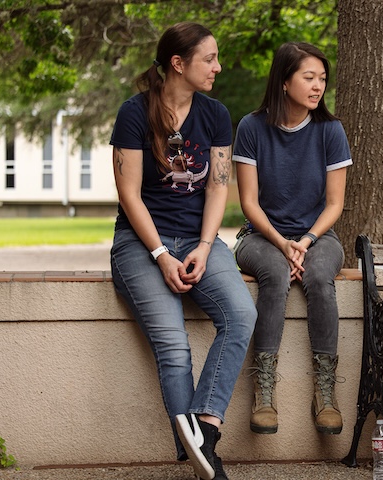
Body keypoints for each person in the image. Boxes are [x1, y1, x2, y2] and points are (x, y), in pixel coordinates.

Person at [109, 22, 257, 480]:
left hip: (200, 240)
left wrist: (207, 246)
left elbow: (217, 189)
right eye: (208, 59)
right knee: (173, 347)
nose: (217, 66)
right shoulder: (134, 114)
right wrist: (160, 255)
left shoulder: (214, 113)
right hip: (141, 243)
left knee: (240, 316)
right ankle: (202, 463)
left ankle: (205, 431)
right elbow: (129, 194)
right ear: (178, 63)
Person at [233, 42, 352, 436]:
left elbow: (335, 204)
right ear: (284, 82)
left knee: (319, 278)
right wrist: (282, 244)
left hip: (319, 236)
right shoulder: (251, 127)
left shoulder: (330, 131)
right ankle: (263, 392)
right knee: (275, 273)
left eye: (322, 79)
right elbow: (249, 203)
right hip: (260, 236)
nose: (318, 86)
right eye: (308, 78)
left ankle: (325, 392)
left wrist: (305, 239)